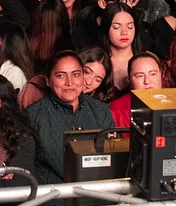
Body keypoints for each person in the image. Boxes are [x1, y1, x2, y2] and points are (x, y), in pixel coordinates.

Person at [27, 50, 117, 186]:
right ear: (48, 80)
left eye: (76, 75)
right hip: (51, 197)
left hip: (95, 196)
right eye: (61, 76)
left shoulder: (100, 111)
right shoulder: (33, 115)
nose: (69, 82)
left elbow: (111, 159)